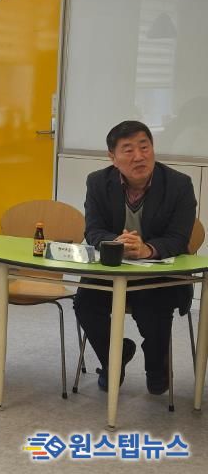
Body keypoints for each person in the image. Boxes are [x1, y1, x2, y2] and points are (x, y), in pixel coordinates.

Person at [74, 120, 196, 395]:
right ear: (112, 157)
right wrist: (115, 243)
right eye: (128, 150)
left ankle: (157, 367)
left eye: (144, 147)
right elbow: (93, 230)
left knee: (153, 310)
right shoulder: (98, 182)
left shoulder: (179, 185)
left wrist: (147, 249)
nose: (139, 156)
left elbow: (178, 238)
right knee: (84, 304)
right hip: (113, 268)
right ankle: (113, 359)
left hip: (158, 273)